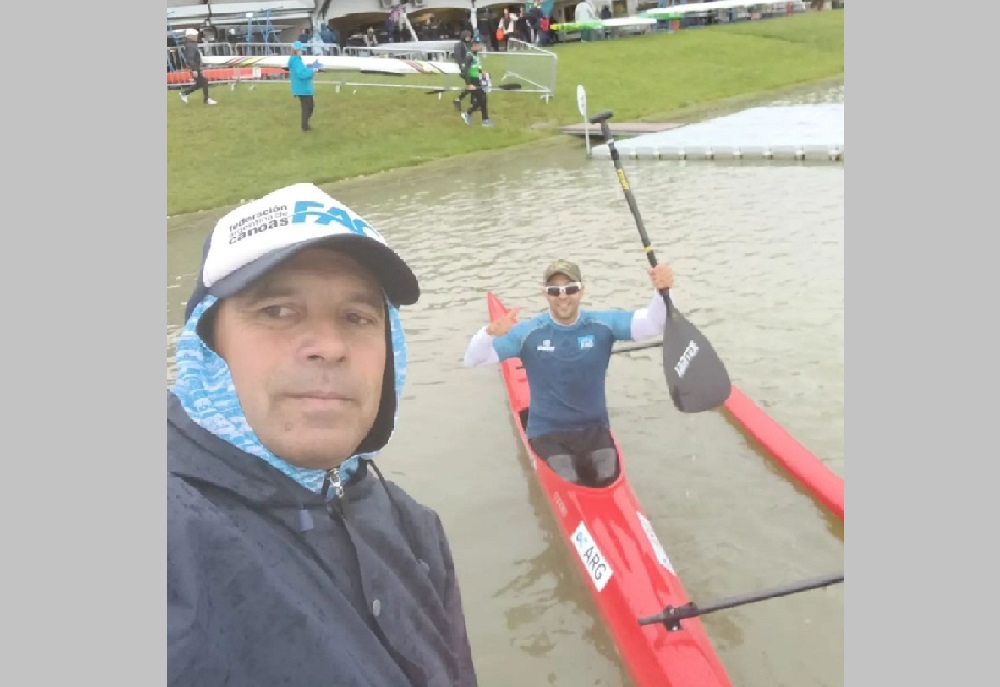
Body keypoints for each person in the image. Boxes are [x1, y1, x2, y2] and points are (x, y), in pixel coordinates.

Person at [168, 182, 479, 687]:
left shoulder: (415, 529)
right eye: (277, 311)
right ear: (208, 343)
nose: (330, 347)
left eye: (357, 317)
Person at [462, 259, 673, 487]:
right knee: (569, 478)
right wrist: (488, 334)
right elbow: (473, 360)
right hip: (547, 433)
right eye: (554, 290)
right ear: (545, 294)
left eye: (570, 289)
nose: (563, 296)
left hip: (594, 429)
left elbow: (654, 323)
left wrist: (662, 291)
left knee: (607, 476)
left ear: (581, 291)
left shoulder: (603, 325)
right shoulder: (527, 333)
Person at [178, 28, 217, 105]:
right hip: (194, 67)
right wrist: (194, 69)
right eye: (195, 35)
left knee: (200, 83)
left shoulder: (191, 44)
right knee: (204, 81)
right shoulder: (190, 46)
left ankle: (184, 93)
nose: (196, 37)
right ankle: (206, 99)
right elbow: (190, 58)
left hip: (194, 66)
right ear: (190, 36)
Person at [460, 39, 494, 127]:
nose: (480, 47)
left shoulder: (475, 55)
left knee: (483, 98)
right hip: (472, 80)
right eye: (478, 45)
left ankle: (485, 119)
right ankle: (468, 114)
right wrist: (469, 84)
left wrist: (481, 71)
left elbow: (474, 66)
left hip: (477, 79)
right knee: (481, 98)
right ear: (473, 46)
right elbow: (466, 71)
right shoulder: (469, 56)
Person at [288, 41, 319, 131]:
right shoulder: (296, 61)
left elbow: (302, 71)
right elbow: (301, 74)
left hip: (302, 87)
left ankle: (305, 125)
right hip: (302, 88)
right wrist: (312, 70)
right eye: (301, 50)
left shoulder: (296, 60)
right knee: (308, 107)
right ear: (297, 50)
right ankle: (305, 126)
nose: (302, 52)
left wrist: (311, 69)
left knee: (309, 107)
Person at [452, 30, 474, 112]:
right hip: (465, 70)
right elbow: (458, 58)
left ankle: (459, 100)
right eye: (467, 36)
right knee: (471, 86)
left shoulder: (469, 44)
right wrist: (463, 68)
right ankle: (459, 100)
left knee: (473, 86)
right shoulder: (459, 45)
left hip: (471, 68)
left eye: (469, 36)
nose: (469, 38)